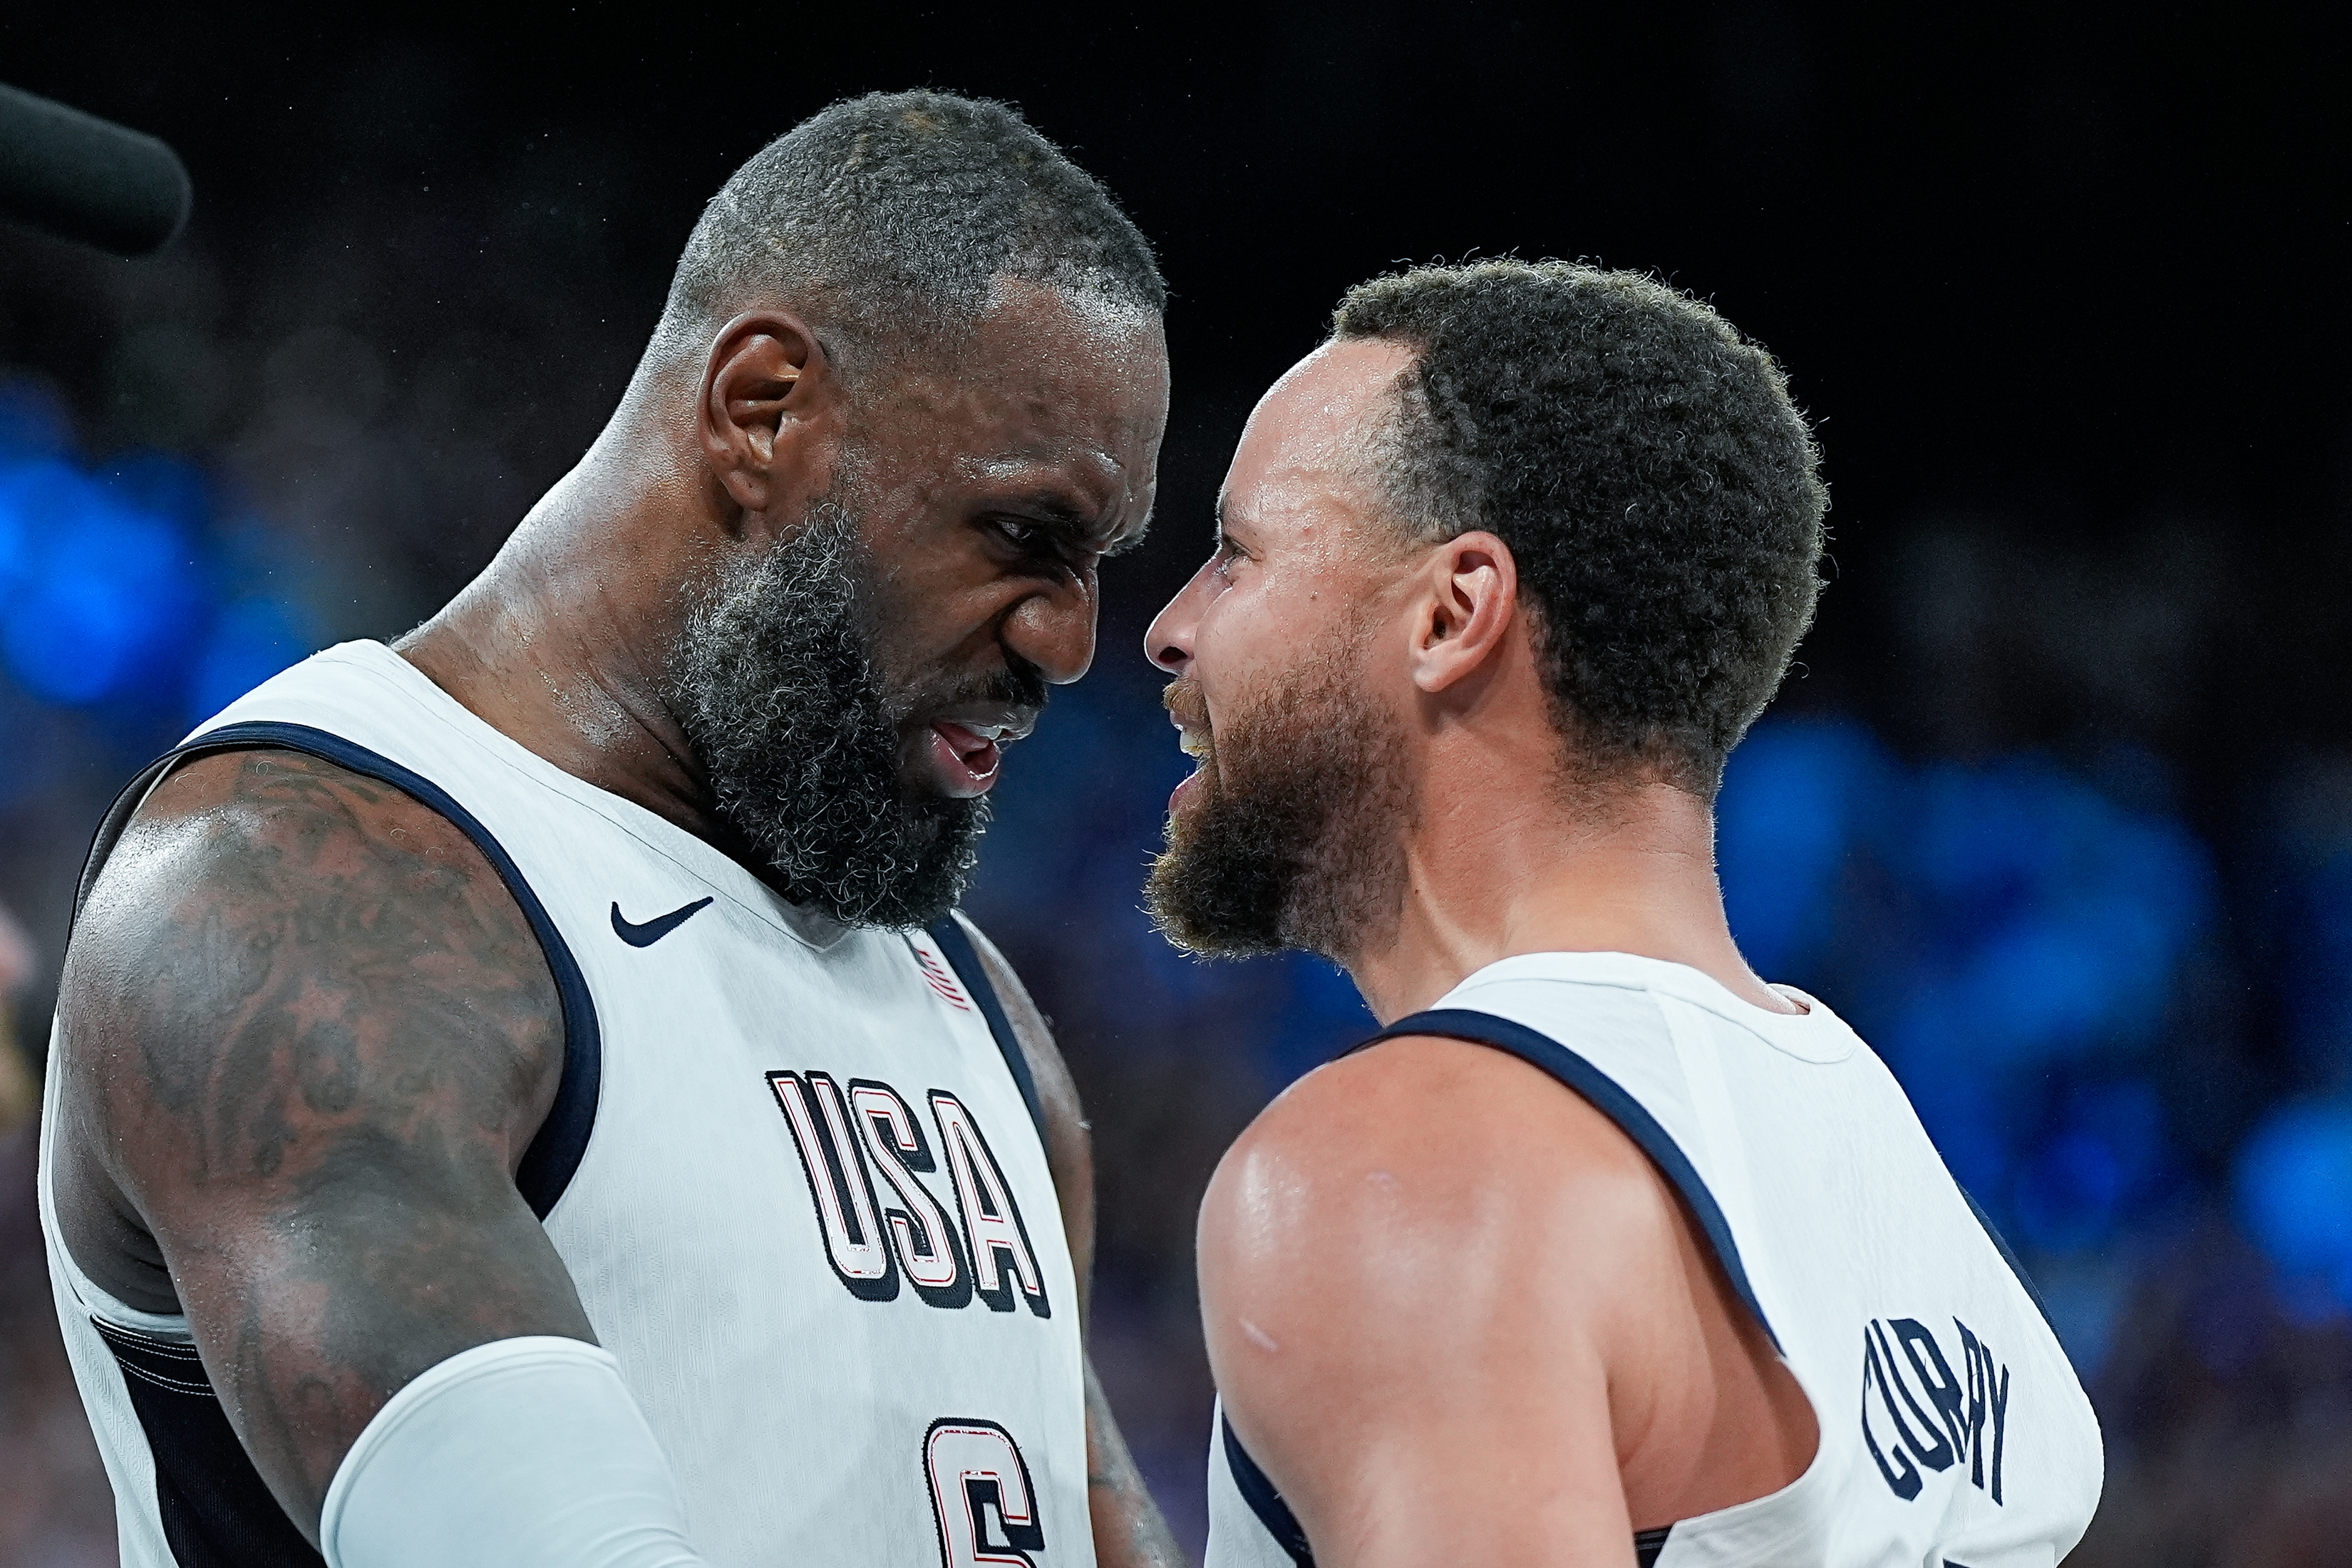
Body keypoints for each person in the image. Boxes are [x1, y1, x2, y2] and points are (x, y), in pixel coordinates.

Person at [42, 91, 1184, 1568]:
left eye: (1102, 564)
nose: (1074, 642)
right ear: (762, 407)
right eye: (1027, 537)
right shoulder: (300, 893)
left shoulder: (984, 1019)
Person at [1144, 260, 2103, 1567]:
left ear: (1450, 613)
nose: (1169, 626)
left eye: (1236, 556)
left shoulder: (1408, 1165)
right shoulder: (1880, 1148)